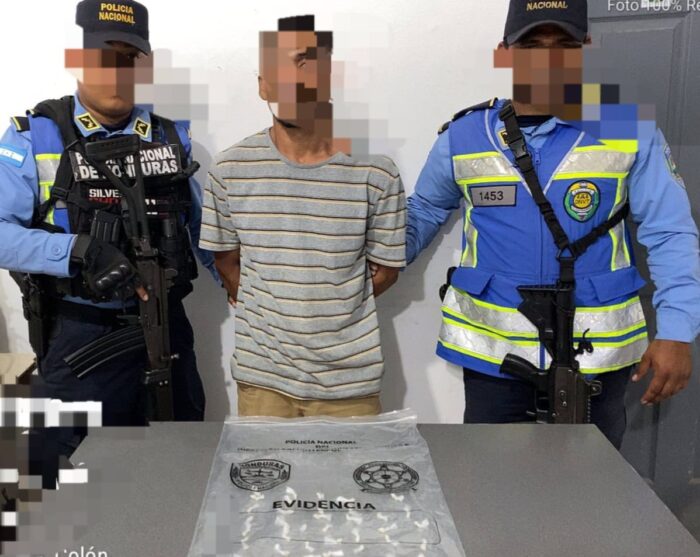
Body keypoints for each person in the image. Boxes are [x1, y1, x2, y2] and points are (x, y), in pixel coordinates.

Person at [405, 0, 700, 448]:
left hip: (597, 356)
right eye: (531, 46)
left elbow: (670, 233)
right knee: (490, 478)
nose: (547, 60)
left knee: (592, 480)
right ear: (505, 52)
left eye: (563, 44)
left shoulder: (628, 130)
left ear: (586, 48)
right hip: (493, 357)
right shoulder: (463, 137)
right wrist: (380, 259)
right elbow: (425, 210)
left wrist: (678, 330)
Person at [0, 0, 217, 477]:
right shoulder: (35, 137)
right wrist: (77, 250)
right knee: (64, 479)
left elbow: (203, 231)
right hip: (81, 334)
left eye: (129, 58)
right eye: (103, 57)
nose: (117, 72)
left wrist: (249, 289)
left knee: (181, 469)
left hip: (166, 328)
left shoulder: (169, 138)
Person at [200, 15, 406, 418]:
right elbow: (226, 261)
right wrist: (275, 309)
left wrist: (330, 306)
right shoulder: (229, 169)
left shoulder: (376, 172)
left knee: (355, 465)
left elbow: (386, 271)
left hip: (349, 383)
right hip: (263, 381)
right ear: (263, 85)